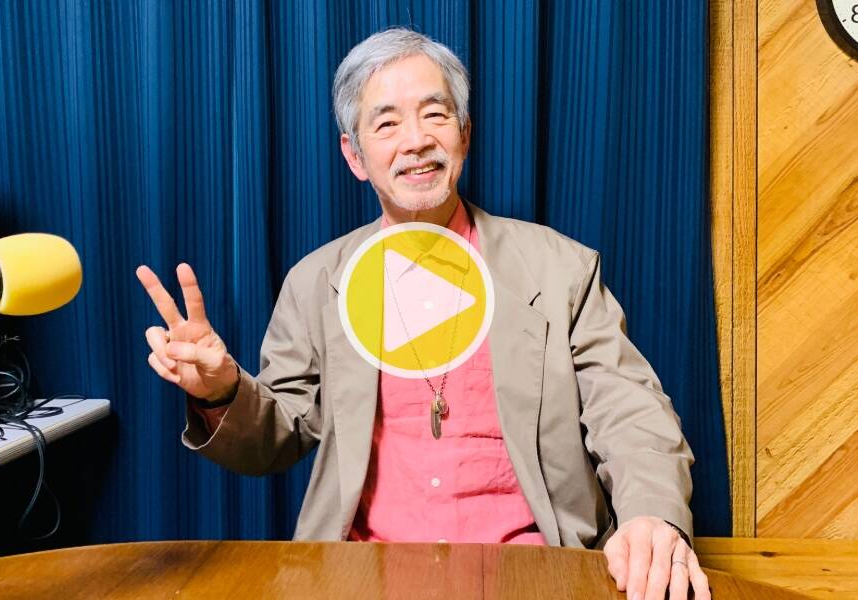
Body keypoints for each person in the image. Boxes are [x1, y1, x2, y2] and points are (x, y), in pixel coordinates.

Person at [136, 28, 711, 600]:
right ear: (354, 156)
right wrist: (222, 392)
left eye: (435, 115)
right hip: (361, 579)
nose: (415, 140)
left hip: (534, 573)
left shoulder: (561, 269)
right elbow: (276, 437)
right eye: (386, 124)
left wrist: (651, 513)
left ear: (465, 134)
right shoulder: (315, 284)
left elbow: (628, 408)